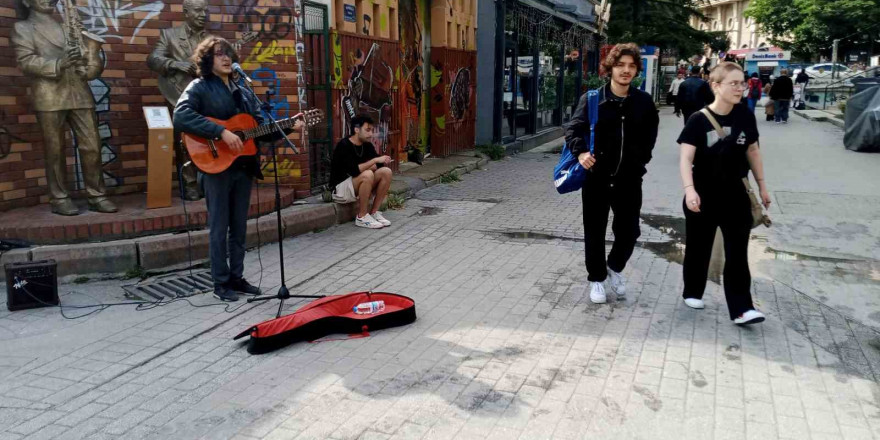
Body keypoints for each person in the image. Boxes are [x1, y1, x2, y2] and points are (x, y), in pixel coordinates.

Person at [174, 36, 303, 302]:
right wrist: (220, 131)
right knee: (219, 227)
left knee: (239, 227)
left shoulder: (243, 91)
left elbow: (257, 132)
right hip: (215, 166)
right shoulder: (199, 87)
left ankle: (237, 277)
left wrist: (289, 126)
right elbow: (181, 116)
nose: (225, 58)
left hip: (243, 167)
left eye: (228, 54)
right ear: (208, 60)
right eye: (219, 54)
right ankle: (220, 283)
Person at [677, 62, 772, 326]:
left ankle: (742, 308)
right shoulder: (698, 120)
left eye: (742, 83)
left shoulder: (745, 116)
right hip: (703, 195)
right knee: (698, 247)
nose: (740, 88)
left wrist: (762, 186)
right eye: (734, 83)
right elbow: (686, 158)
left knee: (737, 252)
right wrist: (689, 191)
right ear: (716, 86)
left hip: (737, 196)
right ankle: (693, 291)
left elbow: (753, 151)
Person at [564, 43, 659, 304]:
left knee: (629, 232)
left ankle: (613, 268)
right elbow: (572, 130)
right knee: (594, 230)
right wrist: (581, 153)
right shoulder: (594, 99)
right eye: (620, 65)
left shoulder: (644, 102)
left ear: (636, 70)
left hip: (629, 179)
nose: (626, 70)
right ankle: (596, 279)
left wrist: (640, 162)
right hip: (597, 178)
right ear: (611, 68)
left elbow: (650, 136)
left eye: (631, 66)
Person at [11, 0, 118, 216]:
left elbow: (88, 60)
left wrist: (91, 64)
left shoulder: (67, 27)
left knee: (92, 146)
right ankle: (59, 198)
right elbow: (26, 61)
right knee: (55, 149)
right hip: (49, 96)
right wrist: (59, 63)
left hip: (79, 92)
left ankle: (97, 195)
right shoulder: (21, 28)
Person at [147, 0, 212, 201]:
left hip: (205, 97)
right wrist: (176, 64)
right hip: (178, 96)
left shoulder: (211, 40)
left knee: (208, 141)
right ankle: (190, 185)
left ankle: (207, 183)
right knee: (184, 142)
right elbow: (153, 59)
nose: (203, 14)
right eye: (198, 10)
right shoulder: (170, 35)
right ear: (186, 12)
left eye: (205, 11)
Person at [329, 115, 394, 229]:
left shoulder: (367, 145)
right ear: (357, 130)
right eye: (367, 130)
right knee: (367, 174)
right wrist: (372, 162)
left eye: (372, 130)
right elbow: (354, 171)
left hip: (356, 184)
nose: (371, 134)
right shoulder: (344, 145)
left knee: (386, 172)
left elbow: (379, 164)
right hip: (341, 188)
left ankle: (374, 212)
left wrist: (373, 163)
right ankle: (362, 217)